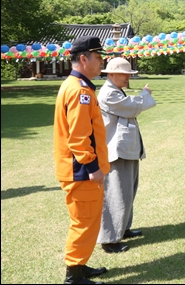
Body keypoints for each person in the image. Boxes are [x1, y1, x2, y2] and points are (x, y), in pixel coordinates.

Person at [53, 36, 110, 284]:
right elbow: (78, 137)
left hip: (78, 169)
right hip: (81, 171)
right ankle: (73, 276)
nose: (102, 62)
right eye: (98, 57)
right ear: (84, 59)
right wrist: (93, 167)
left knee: (88, 220)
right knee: (83, 222)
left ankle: (80, 265)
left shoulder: (76, 86)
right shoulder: (79, 91)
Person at [96, 57, 156, 253]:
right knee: (116, 193)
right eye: (124, 74)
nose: (127, 78)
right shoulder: (109, 93)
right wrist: (144, 94)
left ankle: (122, 228)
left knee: (127, 191)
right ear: (112, 74)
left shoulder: (115, 90)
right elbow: (131, 107)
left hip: (124, 149)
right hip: (116, 151)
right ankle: (110, 239)